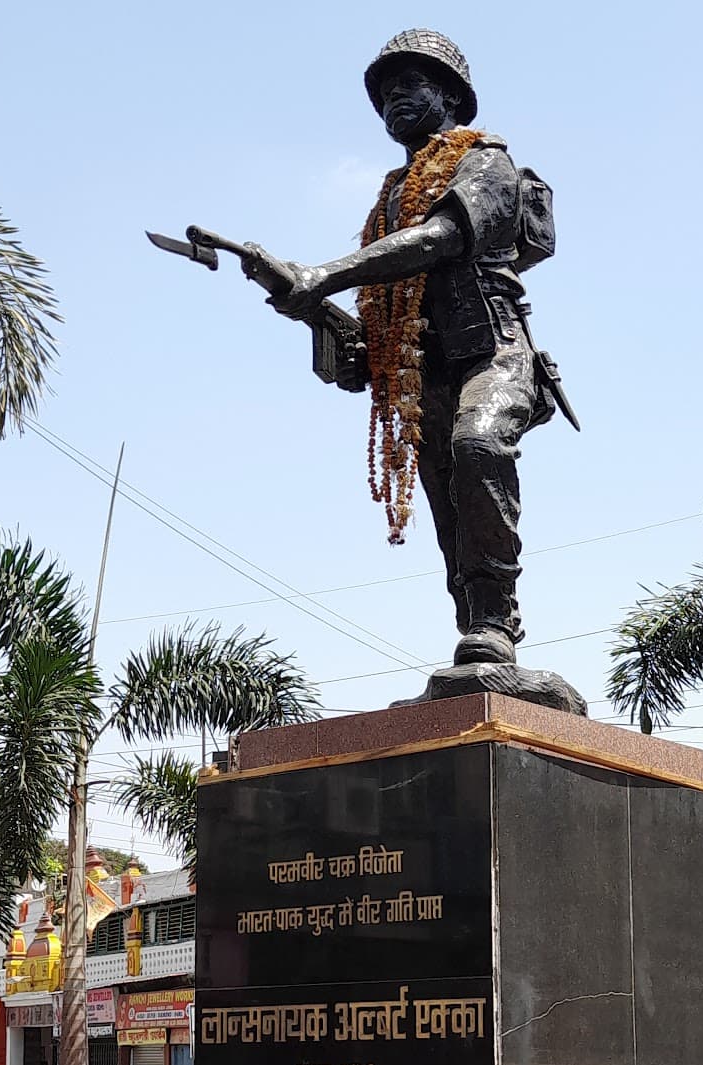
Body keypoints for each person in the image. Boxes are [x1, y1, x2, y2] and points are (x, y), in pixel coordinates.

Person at [269, 29, 570, 669]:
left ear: (451, 95)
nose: (393, 101)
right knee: (446, 494)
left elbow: (440, 237)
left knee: (478, 447)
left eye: (410, 85)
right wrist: (319, 316)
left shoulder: (485, 160)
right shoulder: (389, 197)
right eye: (383, 95)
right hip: (421, 366)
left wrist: (323, 275)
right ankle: (477, 624)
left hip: (492, 346)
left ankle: (495, 617)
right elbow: (378, 307)